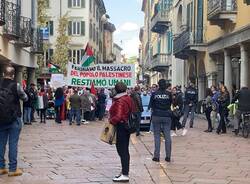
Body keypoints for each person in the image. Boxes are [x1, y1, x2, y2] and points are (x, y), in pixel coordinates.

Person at [0, 65, 28, 177]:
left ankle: (1, 167)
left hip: (1, 119)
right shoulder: (16, 86)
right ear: (13, 75)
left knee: (1, 143)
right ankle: (12, 169)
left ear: (3, 74)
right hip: (14, 118)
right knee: (13, 143)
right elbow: (25, 98)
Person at [109, 82, 134, 182]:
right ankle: (124, 171)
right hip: (126, 126)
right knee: (124, 150)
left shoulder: (120, 101)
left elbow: (119, 116)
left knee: (122, 150)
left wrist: (111, 121)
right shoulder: (127, 98)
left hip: (121, 126)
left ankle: (125, 174)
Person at [148, 79, 172, 162]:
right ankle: (168, 156)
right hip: (167, 116)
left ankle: (156, 156)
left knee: (157, 136)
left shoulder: (154, 94)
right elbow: (170, 103)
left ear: (158, 85)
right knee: (167, 136)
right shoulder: (169, 94)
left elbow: (151, 105)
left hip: (157, 115)